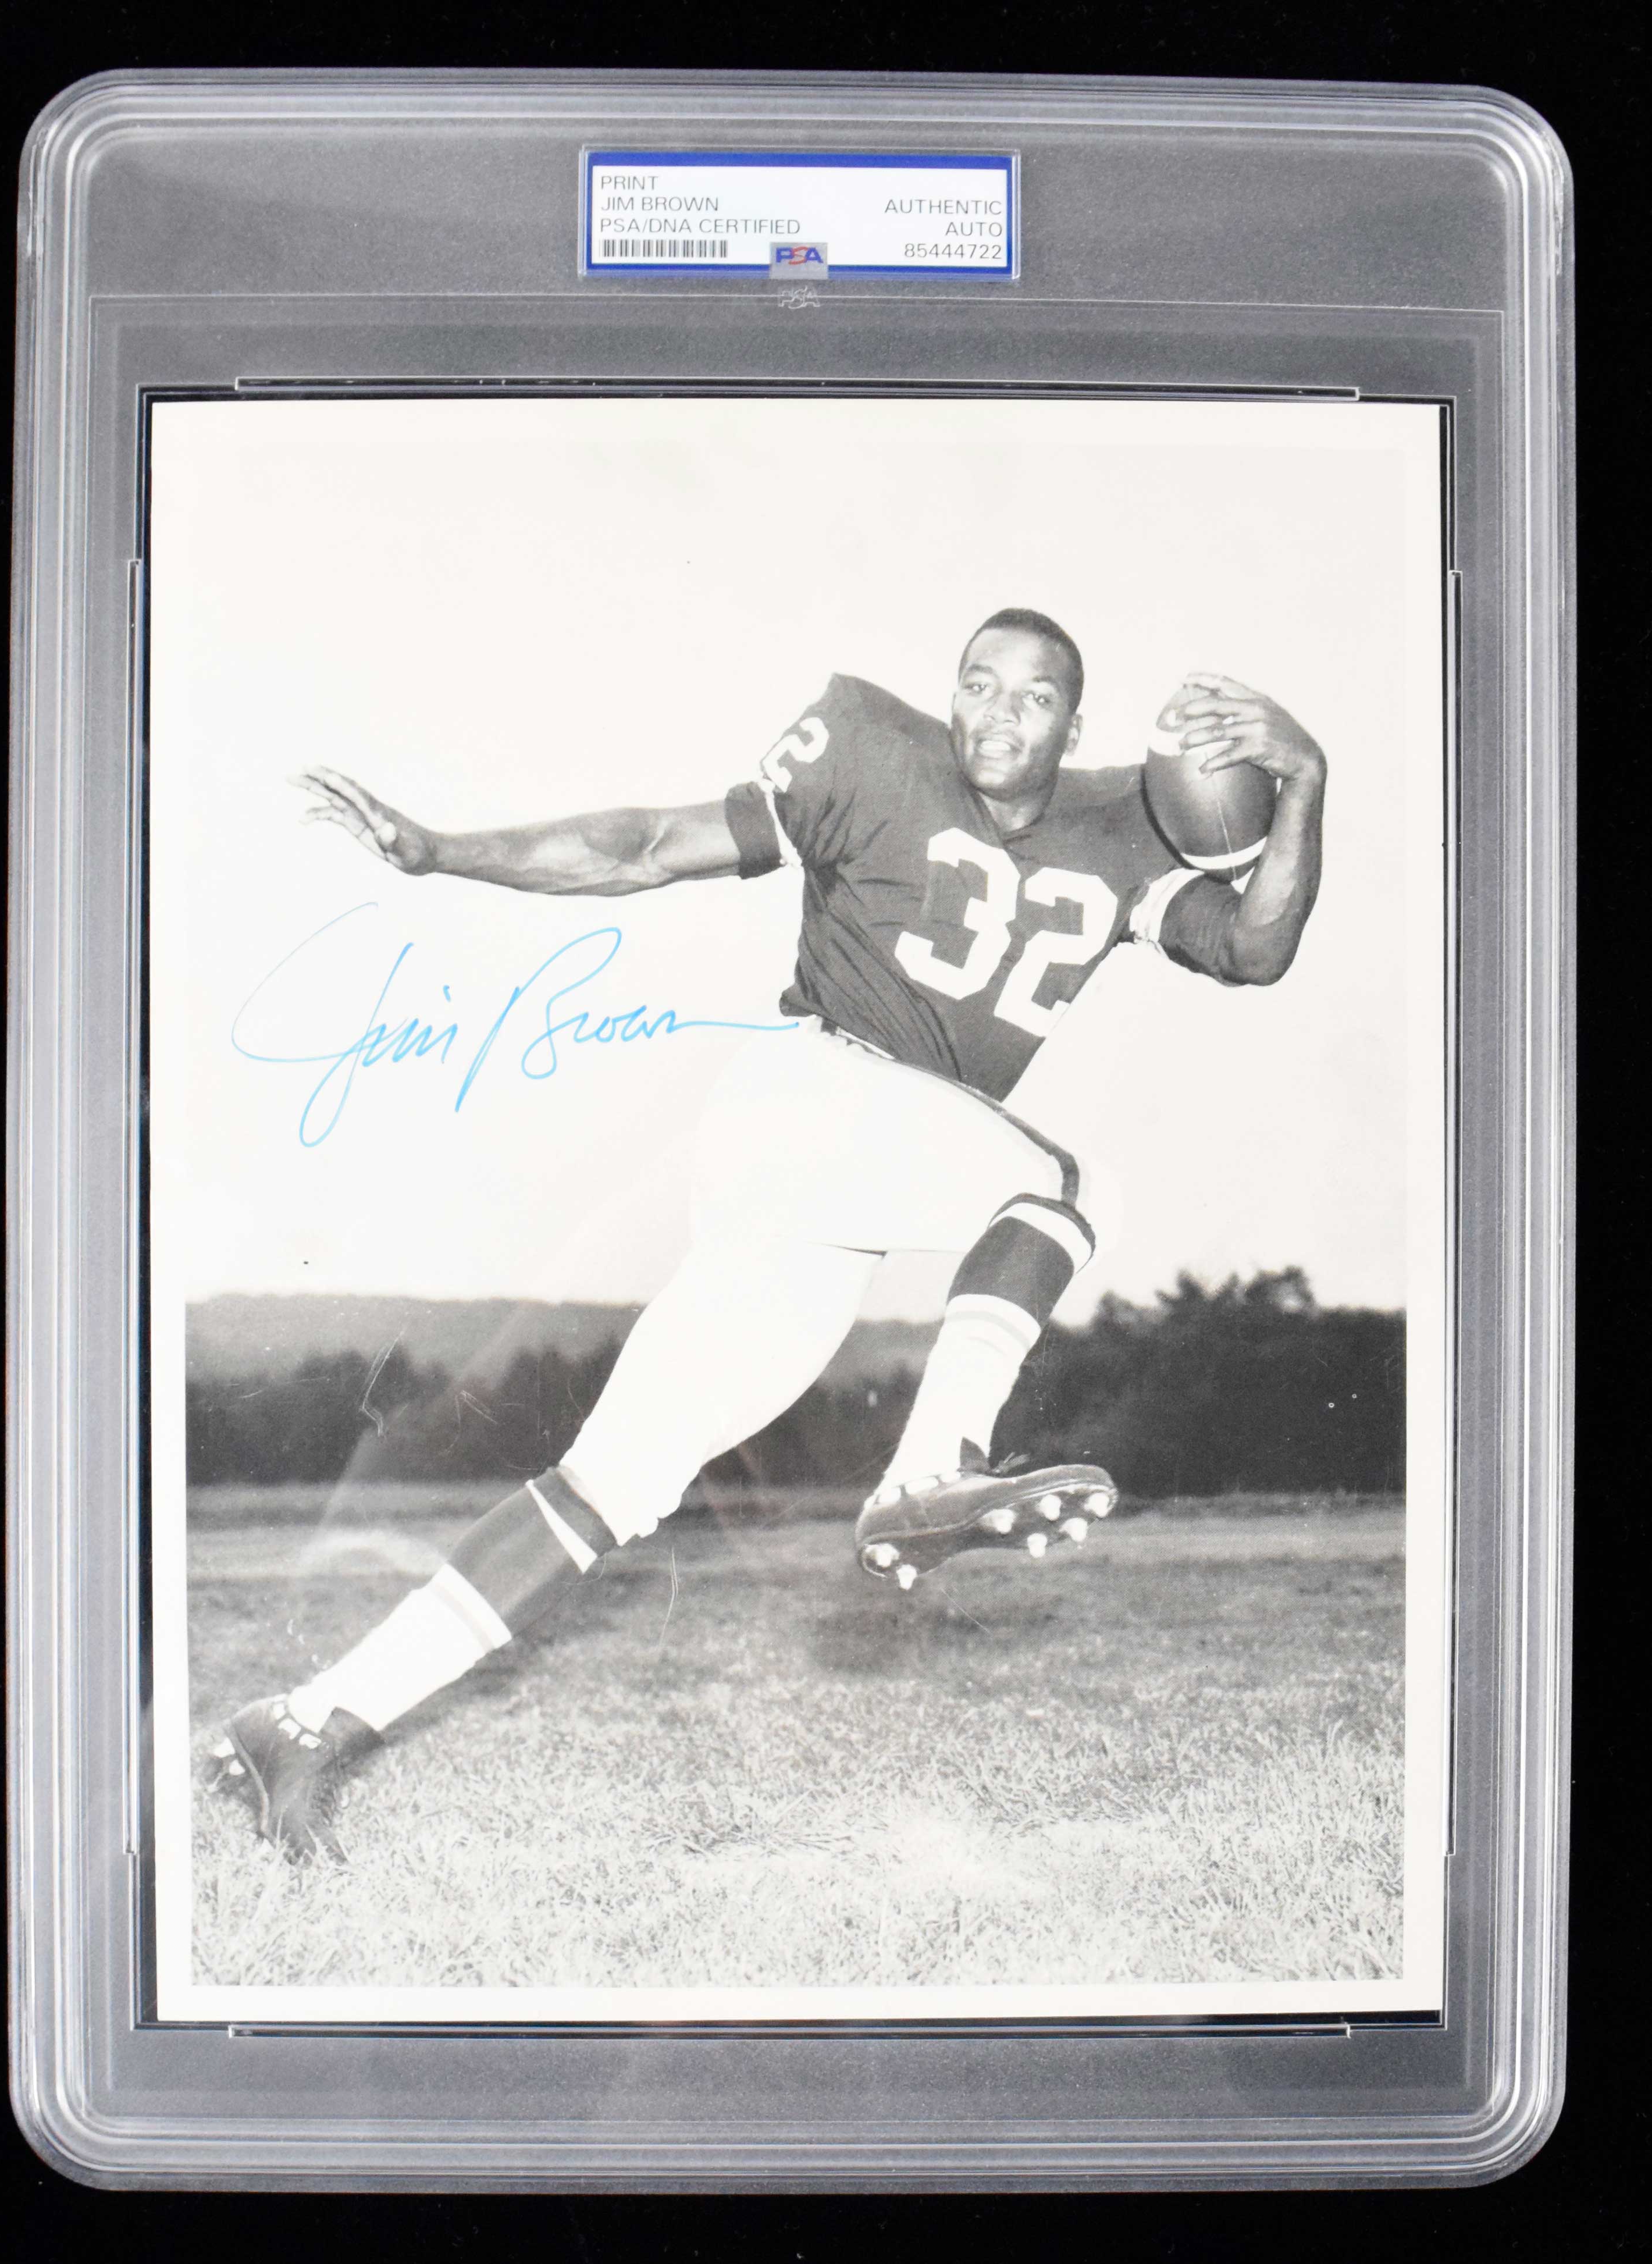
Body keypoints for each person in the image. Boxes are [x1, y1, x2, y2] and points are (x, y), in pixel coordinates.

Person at [206, 608, 1327, 1858]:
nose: (996, 714)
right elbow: (644, 846)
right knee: (1067, 1187)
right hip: (810, 1095)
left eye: (1032, 697)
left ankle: (305, 1719)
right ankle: (928, 1470)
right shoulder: (871, 749)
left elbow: (1254, 948)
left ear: (1075, 723)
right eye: (977, 682)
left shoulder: (1124, 826)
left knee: (613, 1484)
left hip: (844, 1195)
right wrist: (439, 851)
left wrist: (1304, 784)